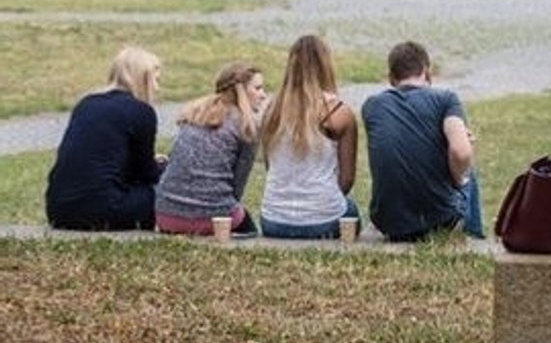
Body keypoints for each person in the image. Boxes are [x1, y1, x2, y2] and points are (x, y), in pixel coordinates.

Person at [361, 41, 482, 242]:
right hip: (438, 219)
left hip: (388, 222)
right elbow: (461, 153)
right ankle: (473, 239)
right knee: (469, 175)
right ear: (427, 73)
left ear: (391, 78)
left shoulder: (372, 106)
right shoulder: (446, 99)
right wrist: (459, 172)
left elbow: (401, 139)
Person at [45, 47, 165, 230]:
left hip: (58, 210)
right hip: (103, 210)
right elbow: (146, 174)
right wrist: (162, 166)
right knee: (165, 190)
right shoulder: (141, 111)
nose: (157, 87)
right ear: (144, 78)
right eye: (156, 80)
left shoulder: (86, 103)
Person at [258, 35, 360, 240]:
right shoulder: (338, 113)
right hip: (324, 223)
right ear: (326, 65)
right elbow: (347, 180)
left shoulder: (272, 110)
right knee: (351, 210)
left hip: (273, 221)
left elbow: (272, 167)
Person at [154, 63, 265, 237]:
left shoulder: (195, 113)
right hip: (214, 219)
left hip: (166, 217)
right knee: (250, 229)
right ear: (240, 90)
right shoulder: (246, 127)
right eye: (258, 88)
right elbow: (237, 186)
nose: (263, 95)